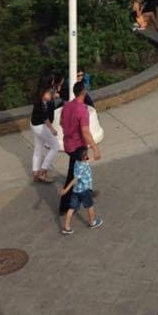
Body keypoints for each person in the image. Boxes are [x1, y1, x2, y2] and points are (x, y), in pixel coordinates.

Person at [59, 81, 101, 215]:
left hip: (68, 144)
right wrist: (95, 148)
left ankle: (86, 192)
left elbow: (61, 122)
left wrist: (70, 131)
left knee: (80, 171)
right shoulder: (82, 110)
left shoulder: (67, 106)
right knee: (75, 174)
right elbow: (85, 132)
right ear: (83, 92)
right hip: (78, 147)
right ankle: (66, 205)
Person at [60, 145, 103, 234]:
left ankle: (66, 227)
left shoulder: (77, 162)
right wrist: (65, 190)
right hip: (85, 190)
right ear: (84, 157)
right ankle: (92, 223)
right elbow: (75, 179)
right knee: (90, 206)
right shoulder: (82, 166)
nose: (87, 155)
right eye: (86, 154)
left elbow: (85, 162)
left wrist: (94, 158)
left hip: (76, 190)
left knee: (71, 208)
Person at [30, 78, 59, 183]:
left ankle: (35, 173)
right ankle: (43, 171)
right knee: (55, 147)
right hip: (41, 126)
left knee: (38, 149)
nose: (50, 97)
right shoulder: (42, 103)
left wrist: (53, 97)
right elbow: (45, 118)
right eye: (49, 94)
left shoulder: (39, 96)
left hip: (34, 125)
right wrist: (52, 129)